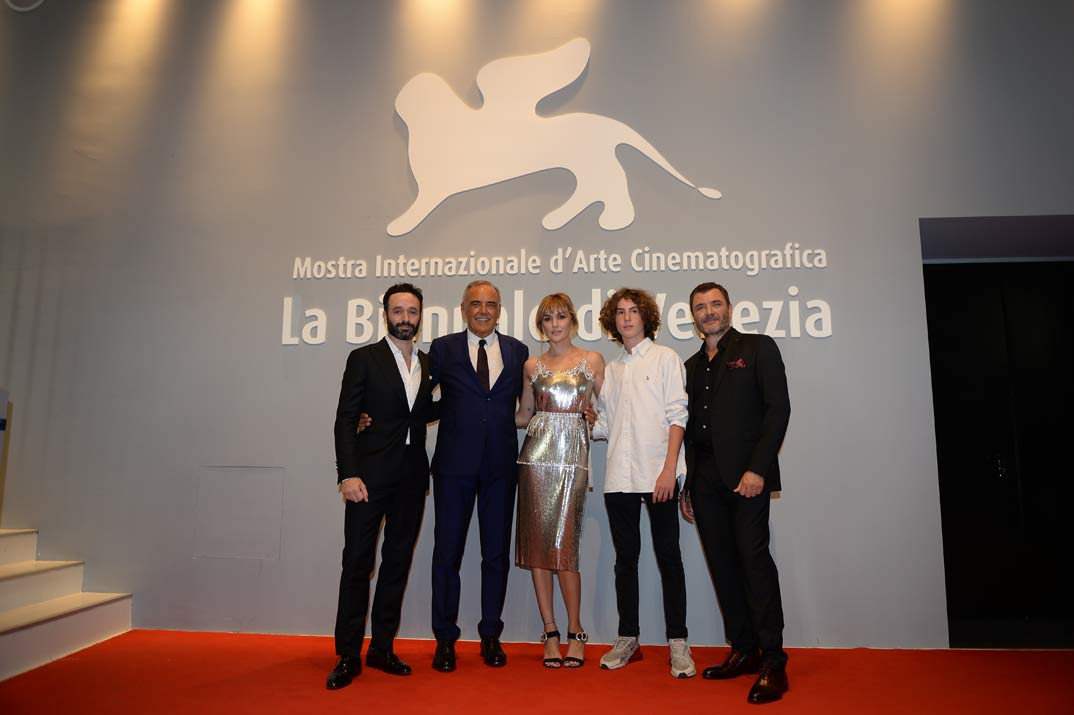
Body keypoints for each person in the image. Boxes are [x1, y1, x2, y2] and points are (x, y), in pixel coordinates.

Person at [680, 282, 791, 705]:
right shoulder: (691, 365)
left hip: (747, 479)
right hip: (705, 481)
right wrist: (688, 484)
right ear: (693, 316)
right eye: (700, 307)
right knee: (723, 567)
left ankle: (774, 662)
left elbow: (777, 410)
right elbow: (688, 430)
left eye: (715, 305)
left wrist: (757, 469)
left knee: (754, 564)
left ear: (729, 308)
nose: (708, 312)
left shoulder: (758, 347)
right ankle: (743, 650)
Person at [327, 283, 435, 690]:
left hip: (411, 480)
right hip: (367, 480)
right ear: (385, 314)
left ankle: (382, 648)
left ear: (420, 316)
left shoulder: (426, 364)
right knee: (357, 564)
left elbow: (425, 411)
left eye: (411, 311)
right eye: (398, 310)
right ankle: (348, 654)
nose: (405, 318)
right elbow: (345, 418)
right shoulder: (364, 359)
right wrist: (347, 474)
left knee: (396, 564)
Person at [590, 288, 695, 679]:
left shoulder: (666, 358)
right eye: (620, 312)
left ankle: (678, 643)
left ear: (645, 317)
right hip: (620, 476)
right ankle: (628, 638)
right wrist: (586, 419)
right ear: (612, 321)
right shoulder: (612, 371)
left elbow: (677, 415)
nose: (627, 318)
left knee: (669, 558)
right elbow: (606, 426)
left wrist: (669, 470)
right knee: (625, 560)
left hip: (658, 475)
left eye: (634, 311)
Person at [428, 280, 529, 671]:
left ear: (499, 310)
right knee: (446, 554)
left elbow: (529, 408)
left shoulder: (518, 351)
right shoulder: (443, 348)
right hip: (453, 468)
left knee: (496, 556)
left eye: (490, 304)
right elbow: (419, 398)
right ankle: (445, 640)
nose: (483, 310)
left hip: (501, 469)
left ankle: (491, 635)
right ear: (463, 309)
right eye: (476, 304)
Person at [514, 293, 605, 668]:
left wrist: (597, 418)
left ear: (573, 321)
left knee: (564, 549)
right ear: (541, 324)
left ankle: (576, 631)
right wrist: (476, 412)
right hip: (535, 458)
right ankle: (550, 631)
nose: (555, 324)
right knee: (538, 547)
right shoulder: (531, 365)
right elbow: (523, 415)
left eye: (561, 317)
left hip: (572, 460)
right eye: (548, 318)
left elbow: (610, 409)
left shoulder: (592, 360)